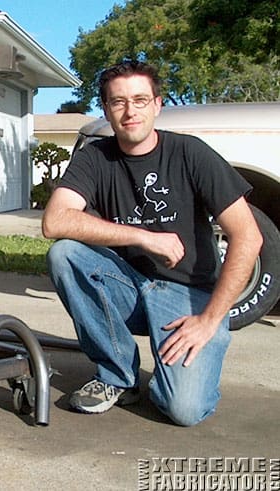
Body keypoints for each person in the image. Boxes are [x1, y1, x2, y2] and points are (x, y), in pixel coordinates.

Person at [42, 60, 263, 426]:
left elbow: (249, 236)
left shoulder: (191, 153)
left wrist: (210, 320)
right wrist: (144, 237)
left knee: (184, 409)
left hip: (188, 296)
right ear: (107, 110)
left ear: (158, 105)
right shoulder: (95, 158)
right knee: (65, 254)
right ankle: (117, 376)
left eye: (140, 100)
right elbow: (55, 221)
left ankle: (180, 370)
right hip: (128, 284)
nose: (130, 111)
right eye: (118, 102)